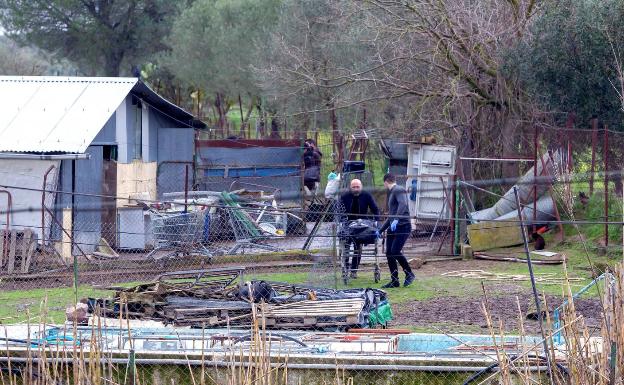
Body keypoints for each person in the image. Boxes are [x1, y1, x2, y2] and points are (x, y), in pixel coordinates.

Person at [377, 173, 415, 288]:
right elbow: (391, 217)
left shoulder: (398, 189)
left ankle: (409, 274)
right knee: (389, 253)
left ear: (385, 182)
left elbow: (403, 204)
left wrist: (397, 219)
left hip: (403, 226)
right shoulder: (392, 192)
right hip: (394, 227)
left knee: (395, 251)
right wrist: (380, 230)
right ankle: (394, 281)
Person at [339, 179, 380, 278]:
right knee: (346, 248)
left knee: (358, 249)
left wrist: (377, 223)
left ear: (361, 186)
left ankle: (354, 271)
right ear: (350, 187)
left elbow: (375, 209)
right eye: (354, 187)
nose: (356, 189)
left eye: (358, 187)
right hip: (348, 224)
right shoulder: (344, 196)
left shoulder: (367, 195)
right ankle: (345, 269)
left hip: (362, 225)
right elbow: (339, 211)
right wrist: (341, 222)